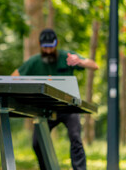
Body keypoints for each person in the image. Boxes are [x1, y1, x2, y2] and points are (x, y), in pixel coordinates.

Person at [11, 28, 98, 170]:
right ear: (40, 45)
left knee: (75, 138)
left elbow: (94, 65)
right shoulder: (34, 62)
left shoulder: (67, 57)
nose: (49, 51)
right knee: (36, 143)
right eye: (45, 47)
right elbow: (13, 76)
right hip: (46, 109)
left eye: (51, 46)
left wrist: (79, 61)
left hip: (68, 107)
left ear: (56, 44)